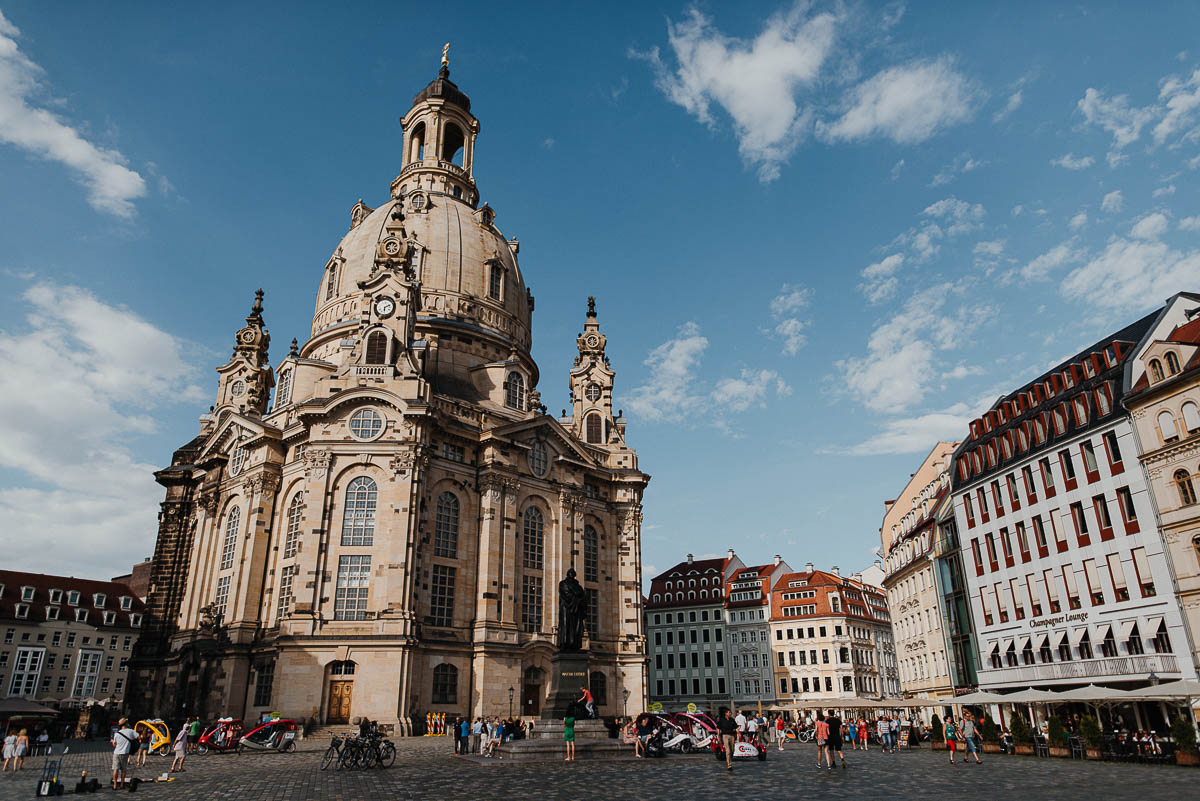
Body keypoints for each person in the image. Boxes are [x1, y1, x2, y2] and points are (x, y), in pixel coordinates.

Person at [111, 718, 139, 790]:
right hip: (125, 753)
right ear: (126, 724)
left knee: (115, 769)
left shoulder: (117, 734)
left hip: (116, 753)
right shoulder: (131, 731)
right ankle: (122, 784)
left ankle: (114, 785)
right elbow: (138, 737)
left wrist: (112, 742)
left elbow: (114, 745)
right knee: (123, 769)